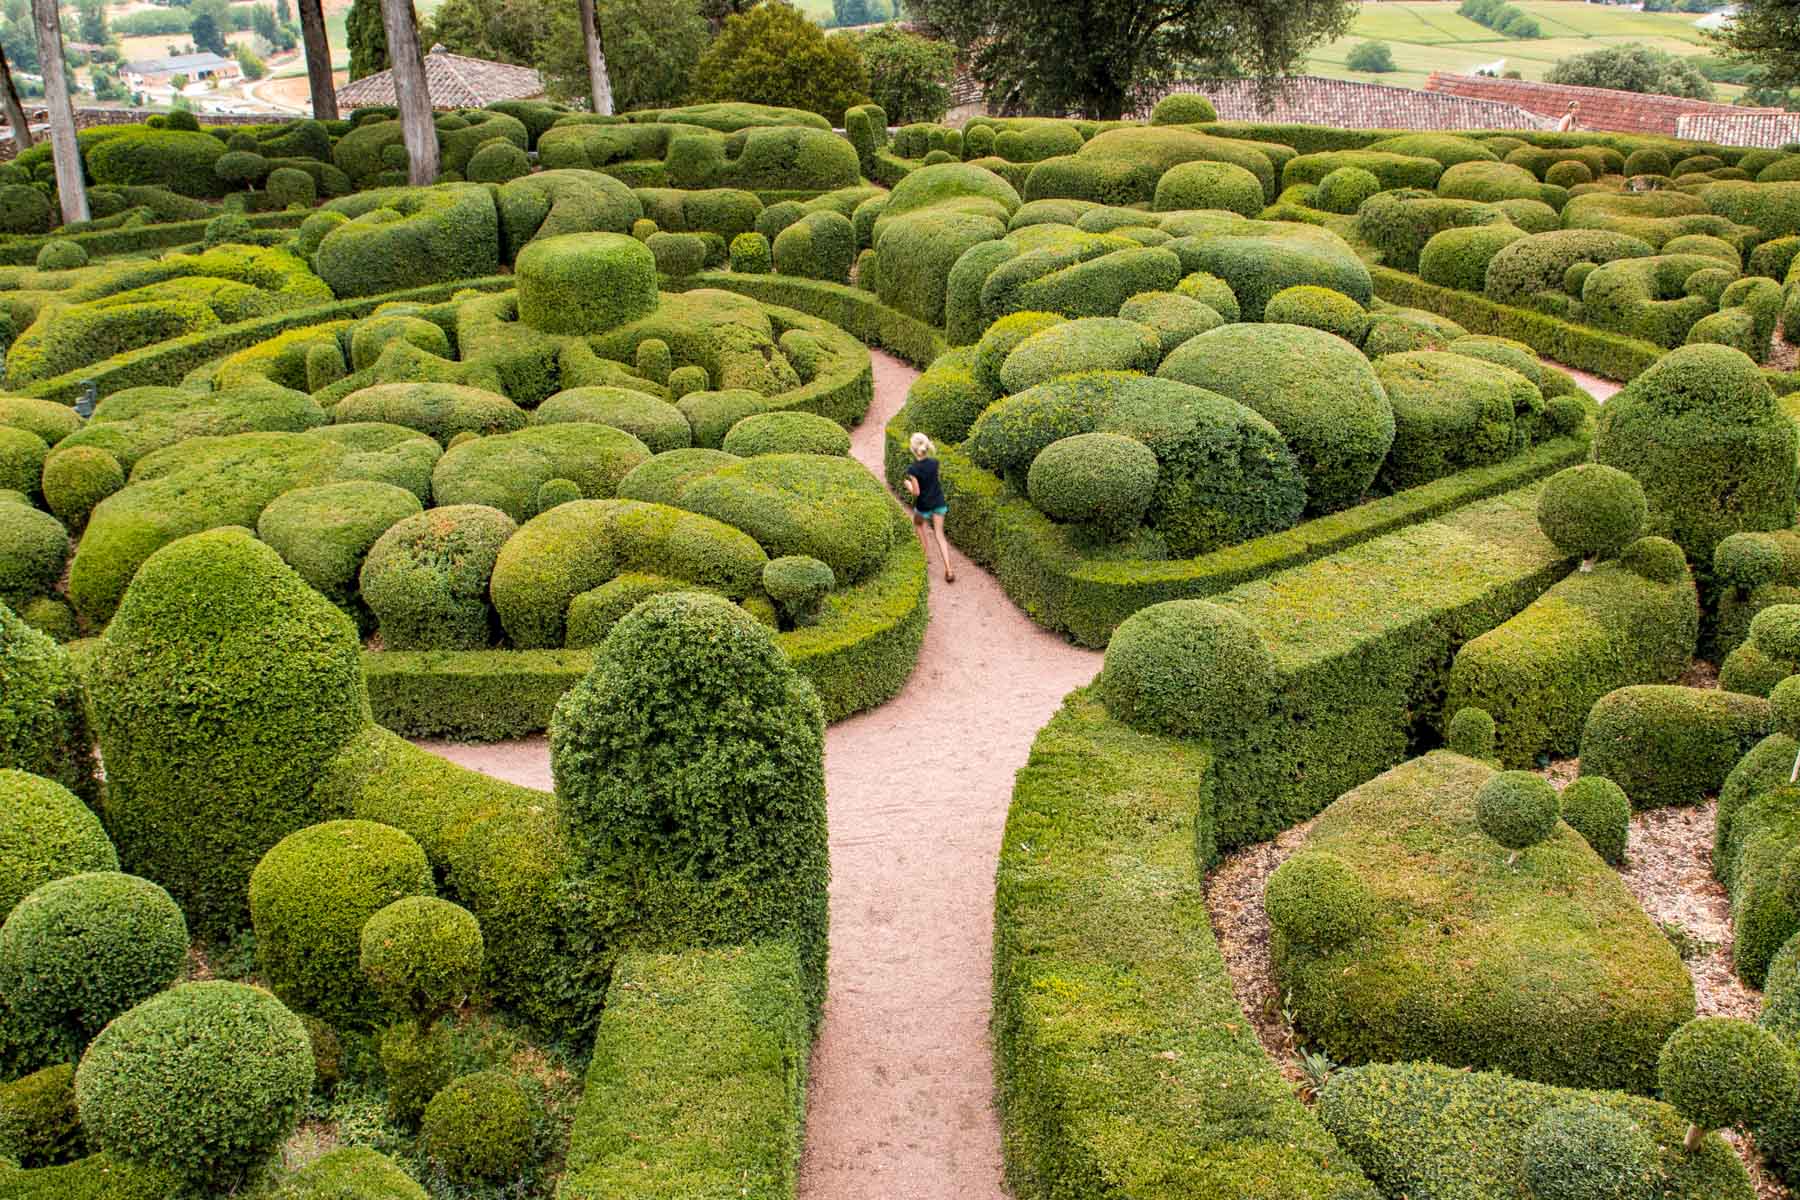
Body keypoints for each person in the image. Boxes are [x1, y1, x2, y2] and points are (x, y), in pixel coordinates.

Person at [903, 432, 954, 583]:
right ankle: (949, 569)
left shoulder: (913, 469)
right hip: (939, 502)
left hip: (924, 506)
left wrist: (908, 485)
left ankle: (925, 555)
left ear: (913, 449)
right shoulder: (934, 463)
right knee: (940, 535)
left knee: (918, 524)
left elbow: (917, 492)